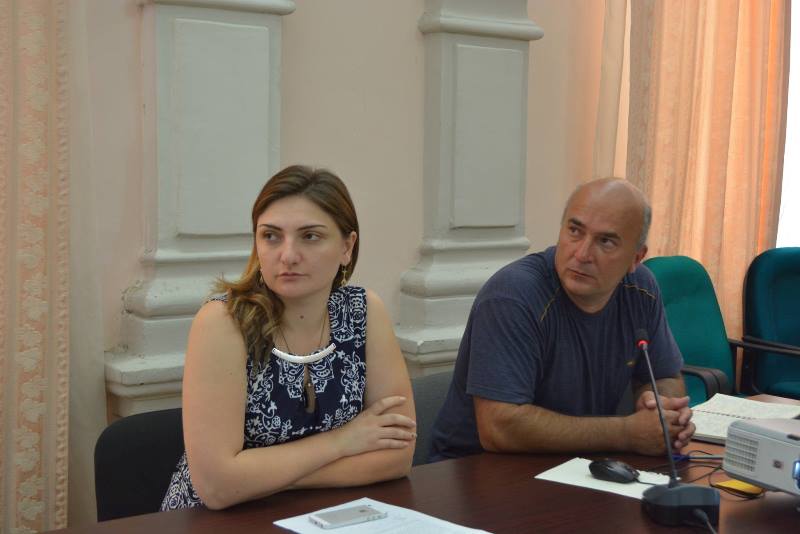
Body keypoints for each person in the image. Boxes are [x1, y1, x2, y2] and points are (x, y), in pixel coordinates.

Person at [161, 165, 416, 510]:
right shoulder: (224, 322)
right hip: (218, 522)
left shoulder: (364, 311)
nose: (288, 255)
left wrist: (260, 478)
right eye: (271, 236)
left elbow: (397, 455)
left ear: (347, 246)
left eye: (310, 236)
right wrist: (343, 442)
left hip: (327, 515)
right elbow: (218, 487)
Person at [429, 177, 694, 462]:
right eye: (575, 231)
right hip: (475, 471)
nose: (582, 254)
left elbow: (665, 375)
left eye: (605, 241)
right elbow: (499, 426)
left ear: (636, 258)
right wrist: (626, 433)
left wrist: (660, 407)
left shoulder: (641, 290)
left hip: (576, 465)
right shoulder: (513, 296)